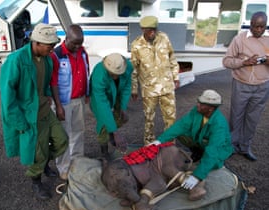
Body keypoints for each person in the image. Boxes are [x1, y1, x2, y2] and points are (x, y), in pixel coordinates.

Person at [0, 23, 68, 200]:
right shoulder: (17, 59)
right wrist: (19, 123)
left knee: (62, 140)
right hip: (29, 116)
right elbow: (7, 96)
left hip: (45, 110)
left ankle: (44, 162)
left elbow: (44, 83)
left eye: (53, 46)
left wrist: (48, 97)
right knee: (38, 152)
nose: (53, 49)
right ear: (36, 42)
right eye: (49, 46)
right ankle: (36, 181)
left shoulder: (46, 59)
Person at [150, 90, 233, 199]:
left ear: (211, 108)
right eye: (198, 102)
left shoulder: (219, 125)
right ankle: (198, 152)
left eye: (201, 104)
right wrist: (159, 141)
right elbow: (181, 125)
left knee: (212, 162)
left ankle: (199, 178)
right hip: (202, 142)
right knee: (181, 133)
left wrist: (197, 176)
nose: (197, 104)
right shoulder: (197, 111)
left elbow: (213, 151)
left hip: (218, 150)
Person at [222, 11, 269, 161]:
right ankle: (232, 146)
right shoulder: (239, 39)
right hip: (241, 85)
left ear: (266, 25)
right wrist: (244, 62)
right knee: (236, 117)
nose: (258, 30)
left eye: (262, 27)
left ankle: (245, 147)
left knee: (252, 118)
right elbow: (227, 61)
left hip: (262, 86)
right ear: (250, 24)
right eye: (255, 26)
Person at [130, 15, 180, 145]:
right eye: (149, 30)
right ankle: (149, 145)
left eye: (154, 29)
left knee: (171, 119)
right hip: (149, 89)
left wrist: (176, 76)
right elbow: (134, 69)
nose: (152, 32)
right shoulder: (136, 45)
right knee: (149, 119)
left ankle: (169, 144)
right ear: (142, 29)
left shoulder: (164, 38)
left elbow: (172, 58)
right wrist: (134, 89)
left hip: (167, 87)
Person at [50, 24, 90, 180]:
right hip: (64, 102)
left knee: (78, 132)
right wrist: (58, 105)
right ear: (66, 39)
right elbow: (53, 82)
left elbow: (85, 70)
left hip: (79, 100)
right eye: (75, 43)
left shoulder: (82, 51)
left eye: (80, 43)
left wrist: (86, 93)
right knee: (63, 136)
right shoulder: (57, 55)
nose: (78, 46)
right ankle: (64, 168)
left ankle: (78, 161)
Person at [89, 53, 133, 160]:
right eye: (112, 74)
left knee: (121, 117)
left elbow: (127, 86)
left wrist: (123, 107)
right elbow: (102, 104)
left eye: (118, 74)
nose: (115, 77)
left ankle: (111, 134)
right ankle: (104, 152)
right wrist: (116, 132)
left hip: (117, 92)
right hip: (101, 97)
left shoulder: (128, 67)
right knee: (103, 121)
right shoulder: (99, 74)